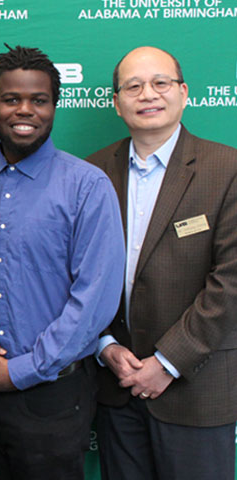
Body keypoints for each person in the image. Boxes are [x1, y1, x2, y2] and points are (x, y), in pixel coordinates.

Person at [0, 44, 125, 479]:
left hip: (54, 395)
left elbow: (95, 300)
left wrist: (23, 370)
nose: (25, 110)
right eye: (11, 99)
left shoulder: (87, 186)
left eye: (39, 100)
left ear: (54, 106)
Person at [87, 46, 237, 480]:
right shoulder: (93, 172)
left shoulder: (226, 169)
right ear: (117, 103)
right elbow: (78, 273)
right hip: (116, 384)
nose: (147, 94)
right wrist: (104, 346)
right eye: (132, 86)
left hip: (196, 387)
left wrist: (167, 362)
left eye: (160, 83)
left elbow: (230, 282)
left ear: (183, 92)